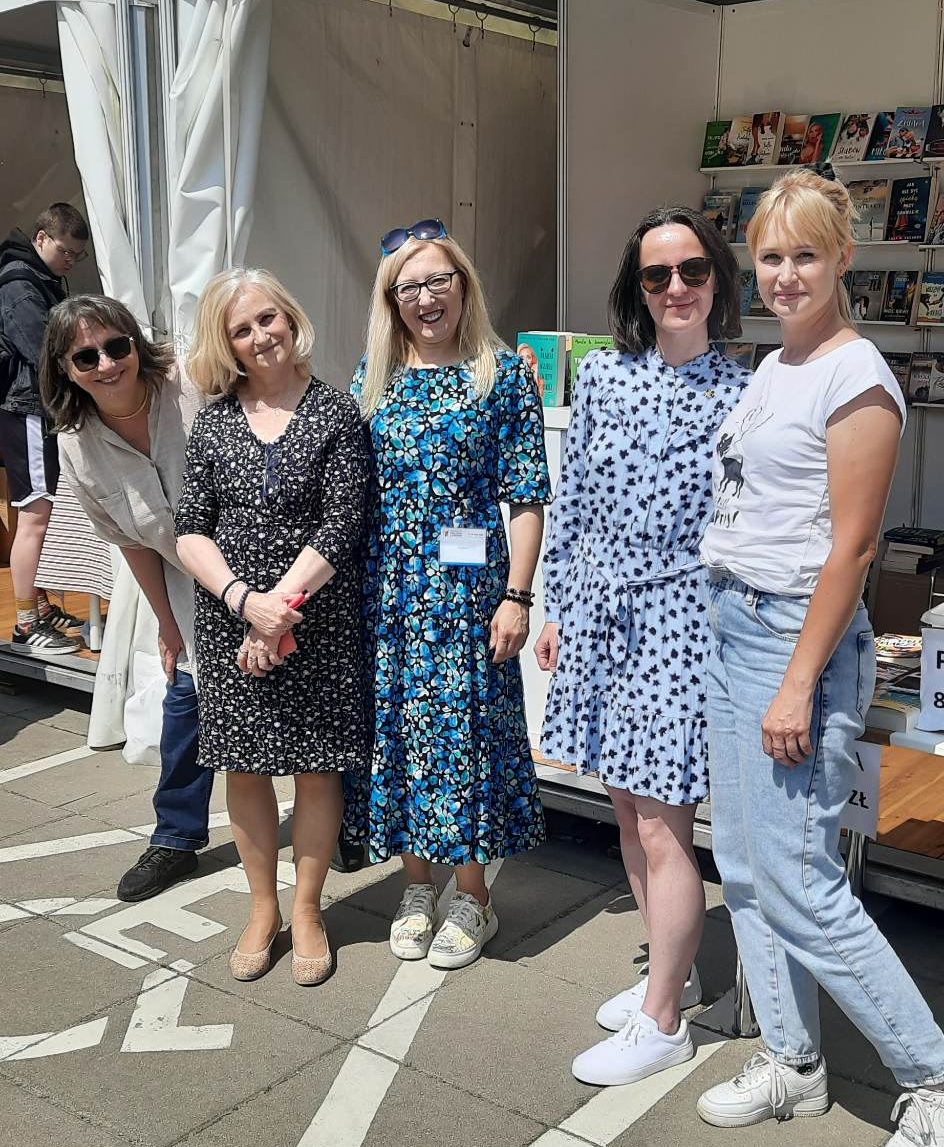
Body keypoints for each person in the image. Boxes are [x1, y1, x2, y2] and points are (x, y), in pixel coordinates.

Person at [698, 169, 944, 1147]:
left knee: (800, 880)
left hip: (793, 638)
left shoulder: (857, 377)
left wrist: (798, 683)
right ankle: (792, 1060)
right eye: (770, 256)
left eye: (805, 254)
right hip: (732, 624)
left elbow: (852, 549)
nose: (785, 273)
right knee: (746, 867)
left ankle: (930, 1075)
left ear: (843, 257)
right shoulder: (774, 364)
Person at [535, 209, 748, 1086]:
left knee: (665, 827)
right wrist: (555, 605)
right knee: (625, 810)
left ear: (717, 279)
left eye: (692, 270)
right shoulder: (604, 378)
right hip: (599, 613)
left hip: (681, 622)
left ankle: (662, 1023)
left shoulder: (745, 392)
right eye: (657, 275)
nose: (676, 288)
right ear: (637, 289)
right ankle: (675, 969)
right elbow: (574, 499)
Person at [352, 218, 549, 971]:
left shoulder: (500, 376)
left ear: (464, 286)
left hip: (469, 597)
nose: (426, 298)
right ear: (390, 300)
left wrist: (517, 596)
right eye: (409, 287)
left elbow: (526, 497)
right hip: (389, 594)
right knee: (399, 738)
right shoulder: (371, 377)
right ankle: (416, 886)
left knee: (466, 742)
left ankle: (473, 896)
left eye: (440, 280)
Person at [175, 269, 372, 985]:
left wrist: (275, 612)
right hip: (231, 623)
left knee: (317, 767)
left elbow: (344, 521)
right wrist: (243, 603)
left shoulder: (335, 412)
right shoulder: (213, 422)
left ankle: (308, 908)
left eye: (268, 319)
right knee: (246, 767)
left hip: (315, 618)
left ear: (290, 319)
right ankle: (262, 908)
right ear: (224, 344)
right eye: (241, 329)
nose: (260, 336)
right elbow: (189, 529)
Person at [39, 296, 214, 903]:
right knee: (185, 703)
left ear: (136, 344)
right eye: (86, 357)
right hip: (187, 585)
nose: (107, 364)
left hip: (262, 567)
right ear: (65, 369)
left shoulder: (191, 388)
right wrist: (166, 623)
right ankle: (176, 840)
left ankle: (343, 817)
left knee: (304, 695)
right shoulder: (76, 445)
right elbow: (132, 542)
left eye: (117, 346)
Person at [0, 205, 91, 654]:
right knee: (36, 517)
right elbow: (42, 352)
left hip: (36, 410)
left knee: (40, 516)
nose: (70, 261)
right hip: (28, 411)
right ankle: (24, 624)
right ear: (40, 239)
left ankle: (37, 605)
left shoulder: (38, 278)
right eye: (65, 251)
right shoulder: (19, 284)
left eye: (77, 255)